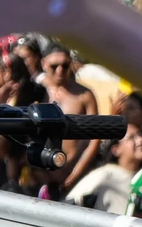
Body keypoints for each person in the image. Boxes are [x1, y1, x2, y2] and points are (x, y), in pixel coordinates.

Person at [41, 45, 100, 193]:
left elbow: (94, 137)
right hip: (41, 173)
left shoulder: (84, 94)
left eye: (65, 65)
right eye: (54, 66)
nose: (60, 70)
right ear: (44, 64)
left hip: (74, 171)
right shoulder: (37, 92)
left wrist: (74, 174)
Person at [65, 123, 142, 214]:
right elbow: (70, 205)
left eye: (140, 135)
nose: (141, 140)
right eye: (132, 137)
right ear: (116, 150)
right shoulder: (104, 175)